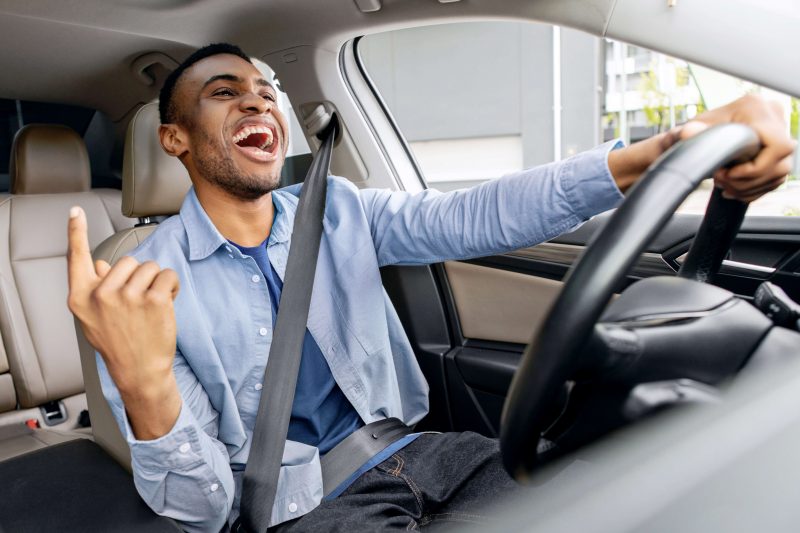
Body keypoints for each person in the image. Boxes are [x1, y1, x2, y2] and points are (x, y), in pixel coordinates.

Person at [66, 43, 795, 532]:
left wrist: (662, 152)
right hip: (304, 505)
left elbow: (477, 213)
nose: (257, 105)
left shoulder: (341, 207)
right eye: (224, 94)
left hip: (434, 453)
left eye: (265, 94)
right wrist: (144, 384)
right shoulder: (135, 289)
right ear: (176, 139)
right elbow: (204, 510)